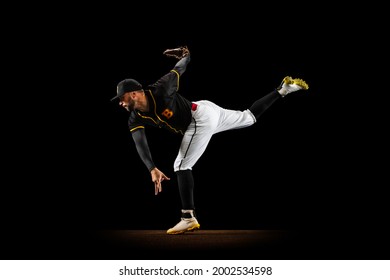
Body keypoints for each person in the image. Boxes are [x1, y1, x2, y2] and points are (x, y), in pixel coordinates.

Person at [111, 46, 309, 234]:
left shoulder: (161, 88)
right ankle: (282, 90)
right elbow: (140, 141)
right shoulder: (134, 116)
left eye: (121, 97)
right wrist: (151, 168)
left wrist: (185, 54)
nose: (119, 102)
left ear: (134, 93)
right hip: (204, 109)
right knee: (248, 118)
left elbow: (179, 68)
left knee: (181, 165)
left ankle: (188, 217)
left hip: (199, 118)